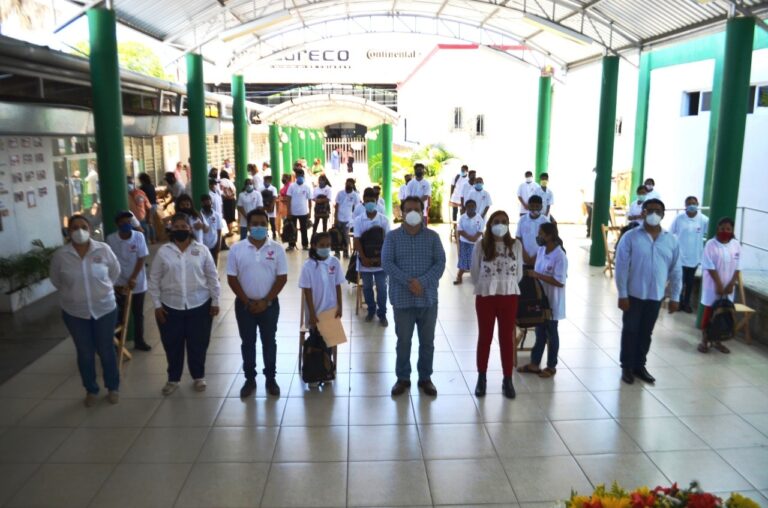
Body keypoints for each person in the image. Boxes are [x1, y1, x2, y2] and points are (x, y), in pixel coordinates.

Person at [50, 215, 121, 406]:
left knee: (106, 350)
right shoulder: (61, 256)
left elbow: (115, 272)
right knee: (85, 352)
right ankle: (91, 389)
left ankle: (113, 387)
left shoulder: (103, 249)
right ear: (68, 231)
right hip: (75, 313)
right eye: (74, 227)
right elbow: (56, 280)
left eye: (83, 226)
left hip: (105, 309)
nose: (79, 231)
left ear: (89, 229)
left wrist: (102, 291)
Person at [148, 213, 221, 395]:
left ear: (190, 229)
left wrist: (215, 300)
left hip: (200, 305)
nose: (180, 229)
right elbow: (154, 279)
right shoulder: (164, 252)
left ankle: (198, 376)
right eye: (177, 227)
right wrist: (157, 305)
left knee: (198, 343)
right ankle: (173, 379)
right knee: (172, 344)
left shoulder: (202, 250)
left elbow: (212, 277)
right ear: (171, 230)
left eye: (184, 226)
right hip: (170, 307)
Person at [382, 196, 446, 397]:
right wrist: (410, 282)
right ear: (401, 212)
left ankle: (425, 378)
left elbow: (440, 263)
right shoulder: (392, 237)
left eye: (416, 209)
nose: (412, 213)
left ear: (422, 211)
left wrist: (423, 282)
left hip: (427, 299)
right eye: (408, 209)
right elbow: (387, 263)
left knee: (427, 342)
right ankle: (403, 378)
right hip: (402, 299)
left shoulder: (433, 237)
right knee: (404, 341)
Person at [615, 198, 681, 385]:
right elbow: (621, 266)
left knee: (646, 332)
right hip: (634, 295)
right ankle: (626, 366)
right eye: (649, 210)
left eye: (658, 211)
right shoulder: (631, 237)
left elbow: (676, 270)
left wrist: (675, 297)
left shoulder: (671, 240)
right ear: (643, 212)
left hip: (655, 296)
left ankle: (639, 365)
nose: (653, 213)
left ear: (663, 214)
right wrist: (622, 294)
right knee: (630, 331)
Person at [227, 208, 288, 397]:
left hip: (269, 306)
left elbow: (282, 278)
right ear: (249, 225)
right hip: (244, 306)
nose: (259, 227)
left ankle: (271, 379)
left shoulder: (276, 249)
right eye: (255, 224)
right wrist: (247, 301)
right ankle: (250, 379)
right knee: (248, 342)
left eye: (263, 223)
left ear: (268, 226)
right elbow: (232, 278)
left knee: (269, 342)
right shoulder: (237, 249)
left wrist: (265, 301)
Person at [470, 210, 523, 399]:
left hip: (509, 296)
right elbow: (474, 272)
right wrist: (488, 284)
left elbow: (519, 274)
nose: (500, 224)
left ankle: (507, 379)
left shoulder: (515, 245)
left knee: (506, 339)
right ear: (490, 224)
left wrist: (504, 284)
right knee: (485, 337)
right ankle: (481, 378)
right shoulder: (481, 245)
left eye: (504, 221)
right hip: (485, 297)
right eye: (497, 221)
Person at [518, 223, 567, 378]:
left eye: (541, 234)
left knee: (551, 334)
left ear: (550, 236)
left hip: (552, 302)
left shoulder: (560, 256)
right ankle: (534, 363)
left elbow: (560, 281)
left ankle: (551, 366)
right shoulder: (541, 250)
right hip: (540, 300)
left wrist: (537, 275)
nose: (538, 237)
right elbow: (534, 268)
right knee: (540, 333)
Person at [107, 211, 151, 352]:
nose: (126, 224)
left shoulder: (138, 237)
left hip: (137, 281)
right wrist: (116, 281)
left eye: (128, 222)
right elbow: (110, 261)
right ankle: (118, 343)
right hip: (119, 283)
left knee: (138, 314)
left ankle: (139, 341)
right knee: (119, 314)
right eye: (122, 222)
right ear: (117, 224)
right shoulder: (111, 239)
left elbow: (141, 258)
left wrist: (133, 277)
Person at [698, 217, 741, 354]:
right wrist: (718, 284)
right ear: (718, 229)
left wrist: (731, 284)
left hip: (729, 287)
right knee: (710, 312)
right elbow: (709, 266)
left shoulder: (736, 244)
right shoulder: (711, 244)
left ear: (732, 230)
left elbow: (738, 266)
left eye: (728, 229)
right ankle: (704, 340)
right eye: (722, 229)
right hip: (712, 286)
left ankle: (718, 340)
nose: (725, 231)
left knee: (723, 313)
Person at [299, 232, 345, 352]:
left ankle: (328, 368)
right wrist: (312, 314)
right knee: (317, 344)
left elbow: (337, 286)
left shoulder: (334, 262)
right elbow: (307, 291)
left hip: (331, 311)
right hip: (315, 313)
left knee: (329, 345)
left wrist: (340, 306)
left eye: (328, 245)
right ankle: (317, 368)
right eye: (322, 245)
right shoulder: (308, 266)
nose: (326, 248)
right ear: (314, 246)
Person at [353, 188, 390, 326]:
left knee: (382, 287)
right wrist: (364, 258)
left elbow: (388, 241)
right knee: (367, 287)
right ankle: (371, 310)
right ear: (363, 202)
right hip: (365, 262)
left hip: (381, 262)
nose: (369, 203)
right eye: (367, 201)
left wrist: (382, 259)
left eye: (372, 201)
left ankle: (382, 314)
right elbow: (356, 241)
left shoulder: (384, 220)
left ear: (376, 202)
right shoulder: (358, 220)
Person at [670, 196, 709, 313]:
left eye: (694, 203)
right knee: (680, 281)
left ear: (697, 204)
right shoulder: (679, 218)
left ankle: (687, 303)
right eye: (689, 203)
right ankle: (679, 301)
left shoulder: (704, 219)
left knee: (690, 282)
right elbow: (671, 233)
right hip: (680, 255)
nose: (691, 205)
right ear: (685, 205)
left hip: (695, 256)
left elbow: (709, 233)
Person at [454, 199, 484, 285]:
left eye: (472, 206)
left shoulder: (479, 218)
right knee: (463, 261)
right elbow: (460, 230)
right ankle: (459, 276)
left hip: (477, 243)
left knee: (476, 261)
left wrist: (474, 238)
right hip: (465, 243)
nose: (471, 208)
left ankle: (477, 278)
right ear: (466, 207)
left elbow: (481, 230)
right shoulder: (463, 217)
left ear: (475, 207)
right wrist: (469, 238)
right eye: (469, 206)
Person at [516, 195, 550, 267]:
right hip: (524, 259)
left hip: (540, 259)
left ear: (541, 207)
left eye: (537, 206)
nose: (534, 209)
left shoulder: (545, 221)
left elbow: (548, 241)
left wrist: (536, 257)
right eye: (532, 206)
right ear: (528, 206)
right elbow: (518, 238)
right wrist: (524, 254)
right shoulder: (522, 219)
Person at [286, 168, 313, 251]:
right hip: (293, 212)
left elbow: (309, 200)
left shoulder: (307, 187)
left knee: (304, 229)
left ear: (303, 176)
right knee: (292, 229)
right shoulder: (291, 186)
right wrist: (288, 211)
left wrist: (310, 212)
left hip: (304, 212)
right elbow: (288, 199)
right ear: (296, 176)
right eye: (298, 175)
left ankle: (305, 245)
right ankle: (291, 245)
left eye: (301, 175)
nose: (300, 177)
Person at [334, 178, 360, 258]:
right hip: (339, 218)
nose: (348, 185)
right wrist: (335, 218)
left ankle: (346, 252)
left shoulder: (355, 195)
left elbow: (356, 208)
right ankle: (337, 252)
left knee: (346, 236)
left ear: (353, 185)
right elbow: (337, 206)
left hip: (348, 220)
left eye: (350, 184)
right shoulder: (340, 193)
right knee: (337, 236)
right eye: (347, 183)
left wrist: (353, 220)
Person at [200, 194, 224, 265]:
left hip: (214, 243)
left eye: (208, 201)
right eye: (204, 202)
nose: (207, 203)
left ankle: (215, 276)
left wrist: (219, 244)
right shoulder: (199, 215)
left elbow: (219, 230)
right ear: (202, 203)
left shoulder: (217, 215)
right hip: (203, 244)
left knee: (214, 262)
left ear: (211, 202)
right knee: (204, 264)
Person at [127, 176, 151, 243]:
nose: (129, 185)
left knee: (143, 241)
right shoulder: (123, 195)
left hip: (141, 220)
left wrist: (148, 219)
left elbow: (148, 207)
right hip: (129, 221)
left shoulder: (140, 193)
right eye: (127, 183)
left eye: (130, 183)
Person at [138, 172, 158, 243]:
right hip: (155, 205)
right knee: (151, 222)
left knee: (147, 223)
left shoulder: (142, 188)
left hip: (148, 206)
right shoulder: (151, 186)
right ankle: (153, 239)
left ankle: (148, 239)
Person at [219, 170, 237, 236]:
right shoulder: (230, 181)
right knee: (231, 216)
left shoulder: (221, 181)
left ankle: (230, 231)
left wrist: (226, 196)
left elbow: (221, 192)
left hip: (226, 200)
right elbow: (234, 190)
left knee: (227, 216)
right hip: (232, 200)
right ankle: (231, 230)